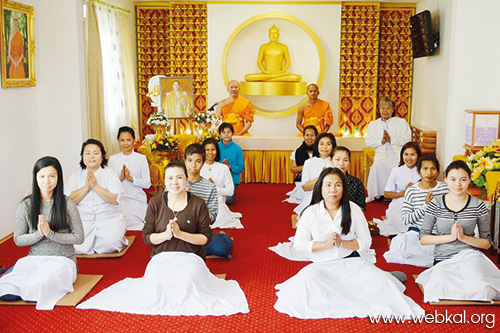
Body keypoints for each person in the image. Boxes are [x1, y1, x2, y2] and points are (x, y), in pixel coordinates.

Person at [77, 161, 249, 315]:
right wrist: (166, 235)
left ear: (186, 179)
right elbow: (146, 237)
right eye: (170, 178)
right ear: (165, 181)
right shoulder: (156, 203)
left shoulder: (198, 203)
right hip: (161, 257)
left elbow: (206, 238)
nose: (175, 182)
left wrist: (181, 234)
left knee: (187, 280)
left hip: (191, 256)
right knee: (156, 281)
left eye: (179, 177)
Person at [274, 168, 424, 319]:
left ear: (343, 188)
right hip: (322, 267)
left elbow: (366, 242)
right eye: (328, 185)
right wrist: (325, 245)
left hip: (352, 263)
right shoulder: (310, 212)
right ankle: (382, 276)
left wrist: (342, 243)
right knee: (306, 284)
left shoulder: (353, 209)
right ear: (320, 187)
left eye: (338, 185)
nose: (333, 189)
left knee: (383, 283)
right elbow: (299, 244)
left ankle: (386, 277)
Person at [0, 157, 84, 310]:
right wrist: (39, 234)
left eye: (52, 176)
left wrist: (50, 233)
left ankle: (27, 285)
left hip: (63, 261)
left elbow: (79, 237)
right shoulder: (26, 205)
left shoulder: (67, 203)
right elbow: (18, 240)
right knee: (7, 289)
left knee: (39, 286)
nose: (47, 181)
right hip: (35, 259)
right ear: (36, 178)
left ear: (58, 177)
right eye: (42, 176)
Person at [416, 160, 500, 302]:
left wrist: (463, 238)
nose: (458, 184)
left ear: (469, 180)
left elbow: (486, 243)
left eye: (463, 180)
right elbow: (423, 238)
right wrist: (450, 237)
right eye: (453, 179)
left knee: (481, 288)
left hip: (470, 256)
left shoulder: (478, 205)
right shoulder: (435, 203)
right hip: (443, 258)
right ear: (445, 180)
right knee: (439, 287)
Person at [384, 155, 448, 267]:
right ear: (419, 171)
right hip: (417, 233)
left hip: (438, 233)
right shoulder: (412, 191)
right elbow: (405, 219)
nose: (429, 172)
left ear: (437, 171)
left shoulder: (444, 189)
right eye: (425, 169)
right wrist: (425, 206)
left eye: (433, 169)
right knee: (402, 247)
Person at [65, 139, 128, 254]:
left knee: (110, 245)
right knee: (75, 246)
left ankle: (117, 237)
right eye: (87, 153)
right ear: (82, 157)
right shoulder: (76, 175)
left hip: (109, 219)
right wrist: (86, 187)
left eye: (96, 153)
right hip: (84, 220)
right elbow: (69, 200)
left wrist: (95, 186)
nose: (91, 156)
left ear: (102, 156)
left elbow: (114, 199)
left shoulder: (110, 173)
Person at [365, 98, 411, 202]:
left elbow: (408, 139)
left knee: (396, 167)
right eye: (383, 108)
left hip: (397, 154)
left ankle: (395, 194)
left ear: (393, 110)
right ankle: (378, 194)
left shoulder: (401, 122)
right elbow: (368, 141)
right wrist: (380, 142)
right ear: (379, 110)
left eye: (388, 108)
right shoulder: (373, 124)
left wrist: (391, 139)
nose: (385, 111)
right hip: (381, 155)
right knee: (376, 166)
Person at [109, 126, 151, 231]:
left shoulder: (141, 159)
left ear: (134, 140)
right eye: (122, 140)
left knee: (136, 225)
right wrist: (121, 178)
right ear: (118, 141)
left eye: (128, 140)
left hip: (136, 199)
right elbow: (109, 184)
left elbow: (147, 184)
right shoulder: (113, 159)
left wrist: (131, 178)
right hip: (119, 199)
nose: (125, 143)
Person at [375, 142, 421, 236]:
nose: (409, 158)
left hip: (418, 204)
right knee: (401, 220)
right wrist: (405, 193)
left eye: (412, 154)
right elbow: (387, 194)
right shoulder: (396, 170)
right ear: (402, 155)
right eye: (406, 154)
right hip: (400, 204)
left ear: (418, 156)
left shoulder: (422, 170)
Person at [201, 138, 243, 229]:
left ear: (217, 151)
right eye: (207, 150)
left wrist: (213, 187)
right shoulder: (198, 167)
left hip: (218, 203)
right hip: (199, 203)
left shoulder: (223, 168)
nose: (210, 152)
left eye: (213, 149)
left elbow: (230, 191)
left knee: (218, 216)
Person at [293, 132, 336, 215]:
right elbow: (305, 187)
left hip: (333, 196)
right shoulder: (309, 162)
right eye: (321, 144)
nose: (324, 147)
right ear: (317, 145)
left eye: (328, 144)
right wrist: (322, 177)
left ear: (333, 146)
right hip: (312, 196)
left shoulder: (336, 161)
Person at [285, 125, 318, 204]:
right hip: (302, 181)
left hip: (317, 181)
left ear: (316, 137)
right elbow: (293, 169)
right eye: (307, 135)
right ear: (303, 136)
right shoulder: (298, 151)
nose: (309, 138)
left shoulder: (321, 151)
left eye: (312, 135)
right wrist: (307, 166)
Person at [331, 146, 366, 210]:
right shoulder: (324, 180)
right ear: (331, 160)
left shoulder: (356, 182)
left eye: (345, 160)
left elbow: (362, 208)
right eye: (337, 159)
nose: (341, 164)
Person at [218, 123, 245, 205]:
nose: (226, 135)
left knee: (229, 200)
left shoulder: (237, 149)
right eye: (223, 132)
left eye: (228, 132)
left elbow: (241, 167)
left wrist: (229, 167)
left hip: (232, 179)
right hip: (218, 178)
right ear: (220, 134)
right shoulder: (215, 147)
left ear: (232, 133)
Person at [8, 13, 26, 79]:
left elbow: (22, 52)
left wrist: (18, 62)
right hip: (13, 63)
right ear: (12, 22)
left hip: (19, 63)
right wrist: (14, 62)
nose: (15, 22)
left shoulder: (20, 36)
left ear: (17, 22)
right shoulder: (10, 36)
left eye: (16, 20)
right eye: (14, 20)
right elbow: (9, 52)